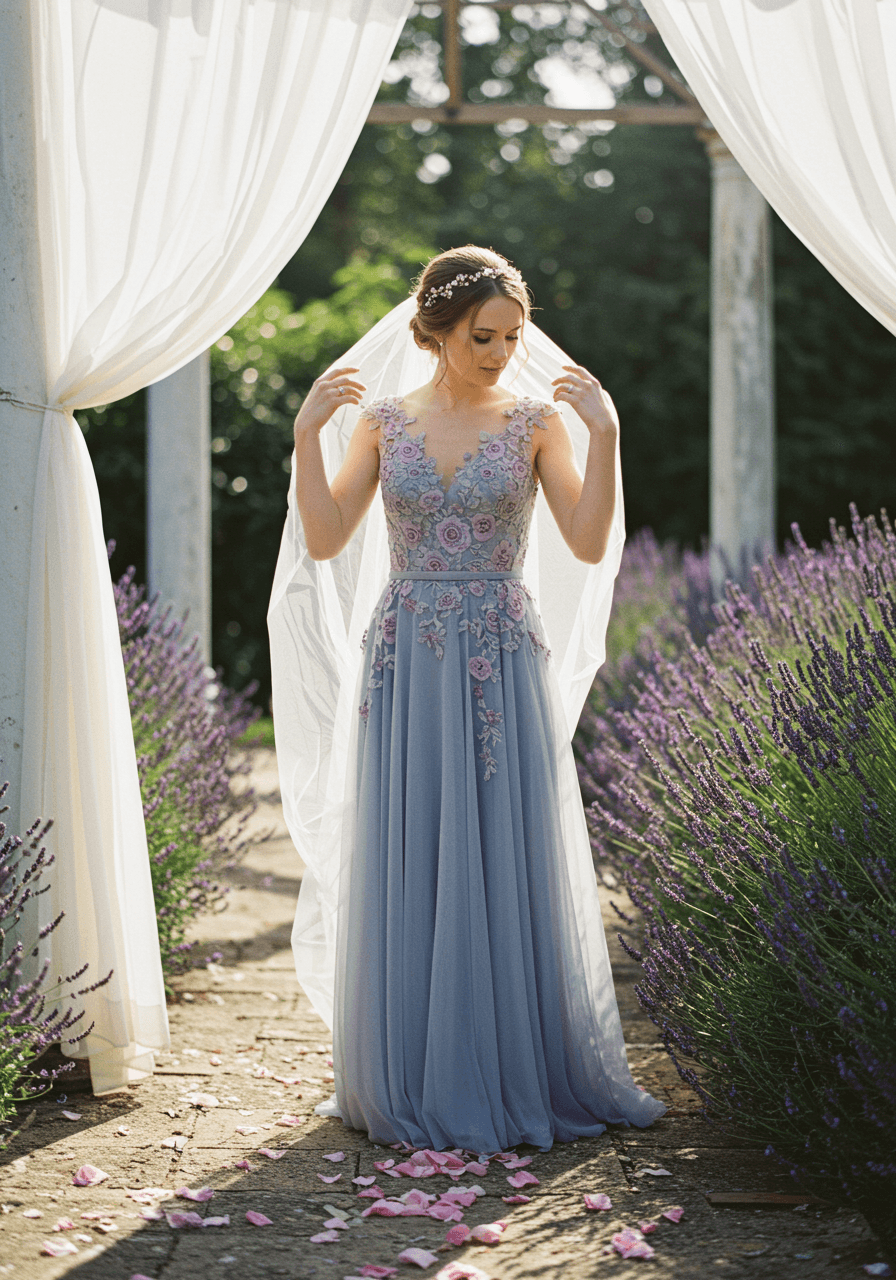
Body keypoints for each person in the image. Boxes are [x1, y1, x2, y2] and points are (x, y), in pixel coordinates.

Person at [271, 245, 666, 1152]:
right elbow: (327, 541)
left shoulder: (535, 422)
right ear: (436, 331)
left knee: (499, 844)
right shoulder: (381, 422)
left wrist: (603, 434)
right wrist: (304, 438)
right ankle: (412, 1067)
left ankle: (507, 1061)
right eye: (483, 336)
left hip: (497, 652)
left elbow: (586, 533)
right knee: (413, 842)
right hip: (407, 655)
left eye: (511, 335)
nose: (500, 352)